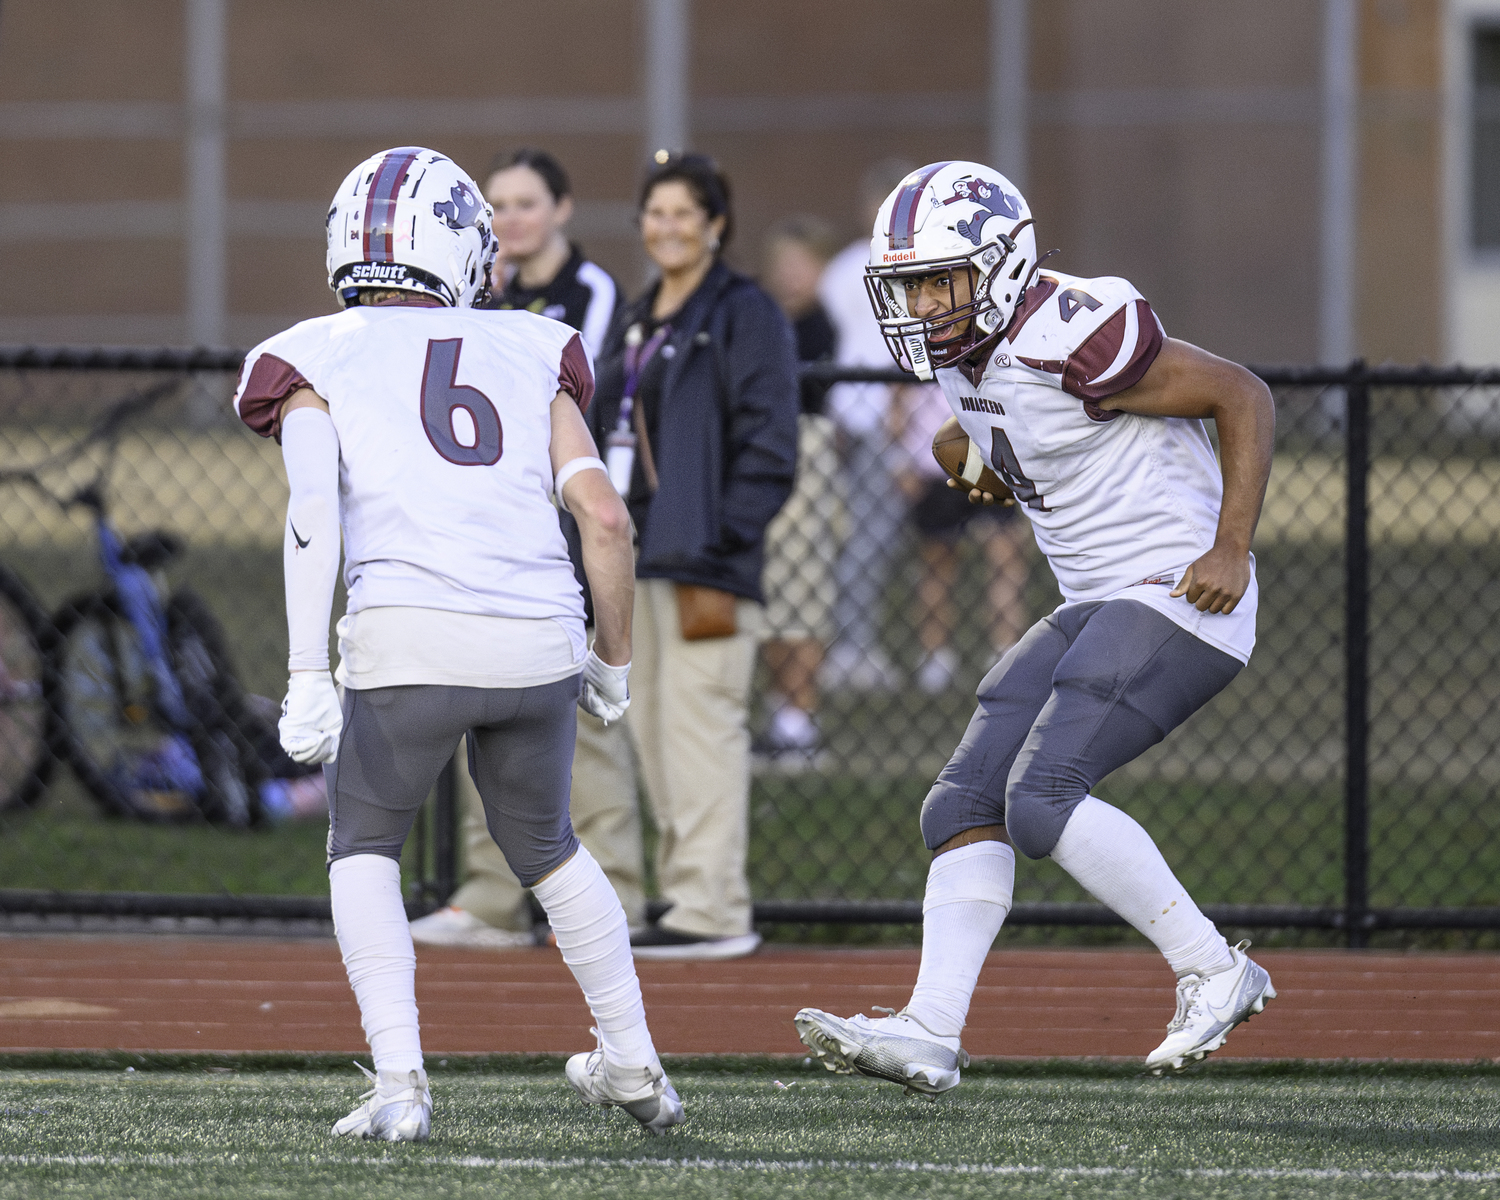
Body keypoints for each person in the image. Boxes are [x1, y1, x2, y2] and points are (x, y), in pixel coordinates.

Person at [794, 160, 1277, 1090]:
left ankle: (1215, 968)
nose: (924, 303)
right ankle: (931, 1028)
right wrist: (964, 452)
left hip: (1179, 588)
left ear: (1001, 264)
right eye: (912, 284)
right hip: (1096, 594)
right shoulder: (965, 345)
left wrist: (1232, 548)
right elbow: (983, 424)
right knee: (962, 805)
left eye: (941, 279)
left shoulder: (1074, 330)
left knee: (1042, 796)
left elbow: (1241, 393)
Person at [237, 146, 683, 1139]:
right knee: (550, 849)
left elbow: (315, 508)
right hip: (538, 640)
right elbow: (605, 517)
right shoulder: (536, 347)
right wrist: (612, 661)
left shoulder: (312, 351)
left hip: (409, 641)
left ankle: (402, 1086)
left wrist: (309, 671)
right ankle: (635, 1064)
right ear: (460, 248)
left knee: (361, 847)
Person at [408, 147, 642, 950]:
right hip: (491, 533)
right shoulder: (473, 291)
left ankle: (618, 893)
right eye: (495, 204)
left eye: (526, 202)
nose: (509, 218)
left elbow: (580, 394)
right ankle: (491, 899)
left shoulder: (590, 295)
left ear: (562, 208)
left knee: (586, 725)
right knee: (484, 720)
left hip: (567, 523)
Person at [580, 151, 799, 960]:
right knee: (652, 736)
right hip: (637, 563)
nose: (667, 227)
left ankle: (713, 908)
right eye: (656, 212)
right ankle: (684, 899)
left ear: (716, 224)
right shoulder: (641, 317)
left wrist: (720, 535)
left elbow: (773, 443)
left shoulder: (744, 312)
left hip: (704, 566)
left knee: (700, 731)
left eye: (684, 213)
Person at [817, 159, 917, 692]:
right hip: (867, 420)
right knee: (865, 538)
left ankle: (856, 644)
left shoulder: (863, 266)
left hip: (881, 418)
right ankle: (852, 649)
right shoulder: (848, 268)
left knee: (869, 537)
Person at [755, 215, 841, 758]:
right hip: (761, 456)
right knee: (767, 594)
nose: (790, 277)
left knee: (804, 592)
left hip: (805, 456)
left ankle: (800, 713)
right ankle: (778, 708)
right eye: (781, 266)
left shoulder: (819, 326)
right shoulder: (762, 320)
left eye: (802, 266)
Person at [888, 379, 1030, 693]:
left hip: (990, 463)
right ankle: (935, 657)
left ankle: (1005, 652)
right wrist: (900, 459)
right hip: (934, 465)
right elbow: (896, 397)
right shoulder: (919, 339)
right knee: (938, 564)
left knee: (1006, 556)